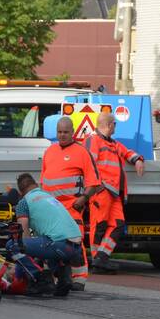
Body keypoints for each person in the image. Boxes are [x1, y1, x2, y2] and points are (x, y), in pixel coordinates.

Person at [41, 116, 102, 290]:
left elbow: (94, 182)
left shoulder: (82, 152)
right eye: (59, 132)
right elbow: (44, 180)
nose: (62, 135)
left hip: (71, 206)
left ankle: (79, 279)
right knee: (49, 241)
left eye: (66, 132)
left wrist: (83, 198)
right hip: (51, 208)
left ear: (73, 132)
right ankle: (53, 276)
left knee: (74, 242)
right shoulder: (50, 151)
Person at [83, 111, 145, 274]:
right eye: (114, 124)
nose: (115, 126)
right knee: (100, 226)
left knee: (118, 225)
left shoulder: (113, 143)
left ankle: (101, 258)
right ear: (109, 125)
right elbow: (88, 165)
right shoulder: (93, 140)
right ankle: (98, 259)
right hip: (101, 191)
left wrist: (138, 159)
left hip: (115, 193)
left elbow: (127, 153)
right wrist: (98, 186)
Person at [7, 173, 86, 296]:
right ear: (36, 185)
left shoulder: (24, 202)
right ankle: (63, 278)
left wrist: (19, 266)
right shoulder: (49, 196)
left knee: (13, 245)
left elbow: (23, 234)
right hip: (76, 245)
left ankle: (40, 280)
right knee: (44, 245)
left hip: (58, 244)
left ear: (20, 192)